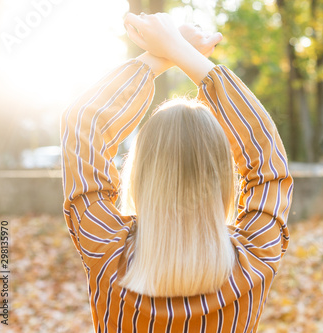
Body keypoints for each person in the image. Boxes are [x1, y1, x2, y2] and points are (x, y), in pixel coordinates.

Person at [60, 12, 294, 332]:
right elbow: (265, 153)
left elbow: (84, 124)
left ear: (140, 172)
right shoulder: (254, 257)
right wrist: (182, 52)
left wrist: (161, 54)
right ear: (224, 177)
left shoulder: (105, 248)